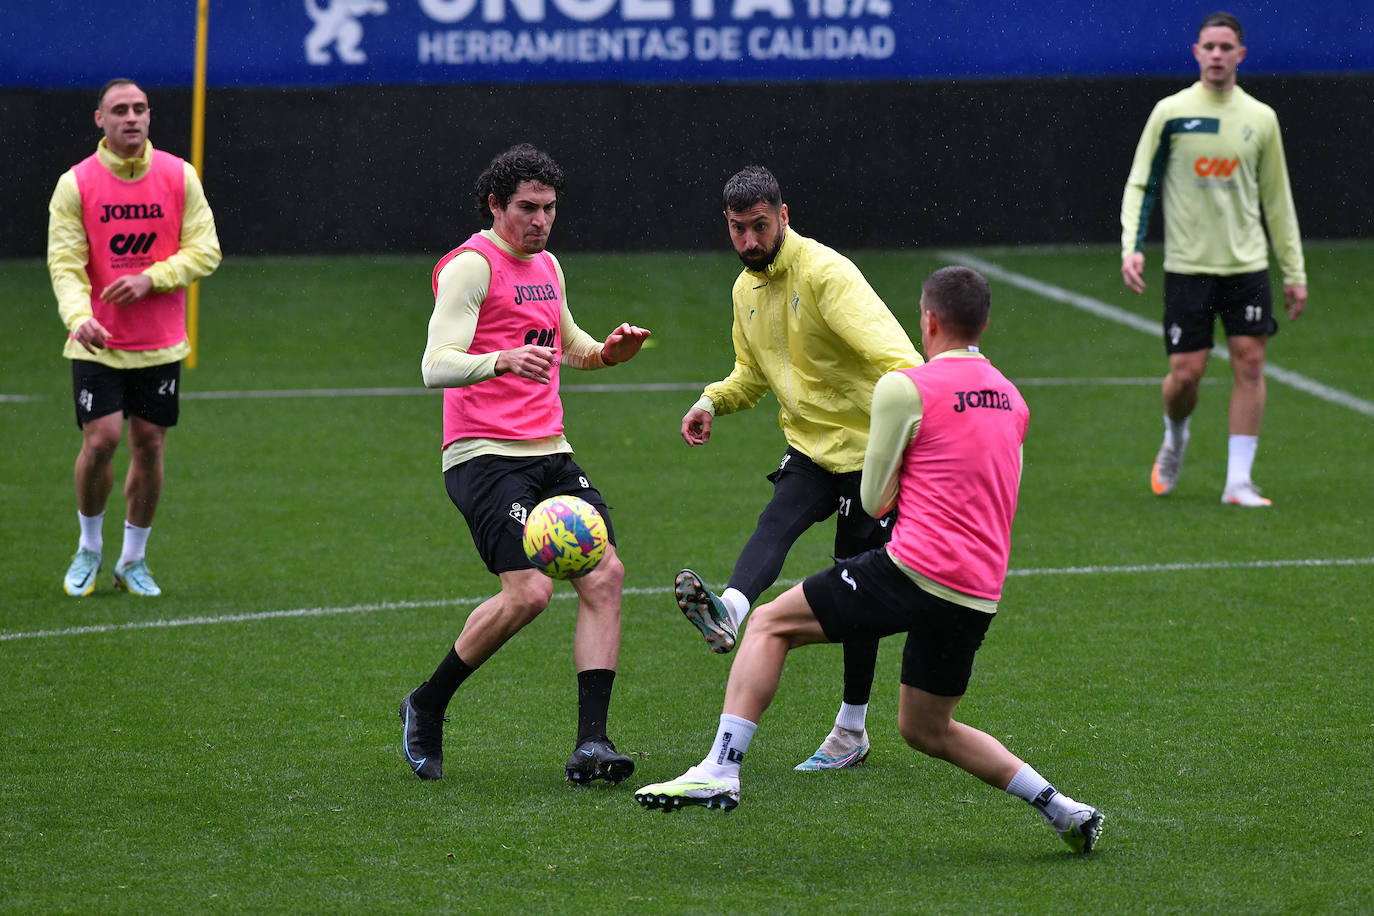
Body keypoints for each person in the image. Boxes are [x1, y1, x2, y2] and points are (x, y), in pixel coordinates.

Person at [636, 267, 1104, 855]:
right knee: (925, 728)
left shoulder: (906, 388)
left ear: (927, 320)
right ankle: (1063, 809)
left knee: (771, 623)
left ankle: (720, 770)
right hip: (978, 591)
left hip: (916, 570)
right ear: (983, 324)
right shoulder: (1014, 399)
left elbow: (874, 499)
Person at [399, 144, 652, 785]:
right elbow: (435, 365)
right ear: (496, 205)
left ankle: (592, 744)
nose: (540, 221)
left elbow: (571, 348)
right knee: (530, 592)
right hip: (483, 455)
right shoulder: (470, 267)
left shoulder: (547, 265)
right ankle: (426, 704)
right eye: (527, 208)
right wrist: (500, 359)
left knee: (606, 576)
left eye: (549, 208)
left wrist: (611, 353)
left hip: (552, 452)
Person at [674, 165, 922, 771]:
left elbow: (901, 361)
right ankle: (730, 609)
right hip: (809, 447)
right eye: (738, 230)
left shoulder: (828, 275)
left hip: (871, 456)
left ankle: (852, 730)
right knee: (777, 518)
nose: (750, 242)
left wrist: (913, 442)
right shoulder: (746, 289)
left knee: (854, 583)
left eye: (760, 227)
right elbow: (752, 374)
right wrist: (712, 401)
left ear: (784, 216)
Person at [1120, 11, 1307, 507]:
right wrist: (1131, 246)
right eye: (1210, 47)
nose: (1218, 55)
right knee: (1186, 374)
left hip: (1247, 266)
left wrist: (1295, 272)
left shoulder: (1261, 119)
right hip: (1188, 267)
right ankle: (1175, 437)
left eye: (1227, 47)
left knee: (1251, 363)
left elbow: (1277, 201)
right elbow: (1142, 182)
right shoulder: (1171, 112)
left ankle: (1238, 483)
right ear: (1196, 52)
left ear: (1240, 55)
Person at [48, 78, 223, 598]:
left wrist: (153, 277)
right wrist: (79, 317)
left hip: (159, 342)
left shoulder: (177, 175)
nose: (132, 117)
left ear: (149, 116)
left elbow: (206, 249)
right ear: (99, 120)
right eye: (119, 109)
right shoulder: (76, 183)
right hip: (96, 340)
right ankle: (88, 548)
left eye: (140, 109)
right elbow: (66, 263)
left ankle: (133, 559)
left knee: (149, 444)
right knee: (100, 441)